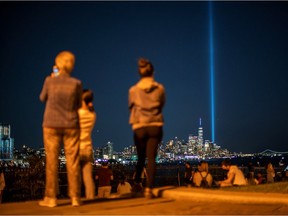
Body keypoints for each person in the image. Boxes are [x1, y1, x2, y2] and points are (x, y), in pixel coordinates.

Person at [39, 51, 83, 207]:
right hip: (71, 124)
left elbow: (42, 98)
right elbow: (78, 104)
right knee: (73, 161)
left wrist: (52, 79)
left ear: (58, 64)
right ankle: (75, 197)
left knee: (51, 161)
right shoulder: (76, 83)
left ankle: (51, 198)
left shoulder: (49, 81)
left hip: (51, 124)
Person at [128, 57, 165, 199]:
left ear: (139, 72)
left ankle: (137, 181)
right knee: (151, 158)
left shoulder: (133, 90)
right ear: (153, 72)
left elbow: (131, 107)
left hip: (140, 126)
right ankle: (148, 188)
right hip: (155, 125)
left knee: (141, 157)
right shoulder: (160, 88)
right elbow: (161, 105)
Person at [78, 89, 96, 200]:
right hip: (88, 148)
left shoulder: (78, 113)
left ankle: (75, 198)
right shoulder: (92, 115)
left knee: (75, 176)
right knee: (88, 176)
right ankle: (90, 198)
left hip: (77, 148)